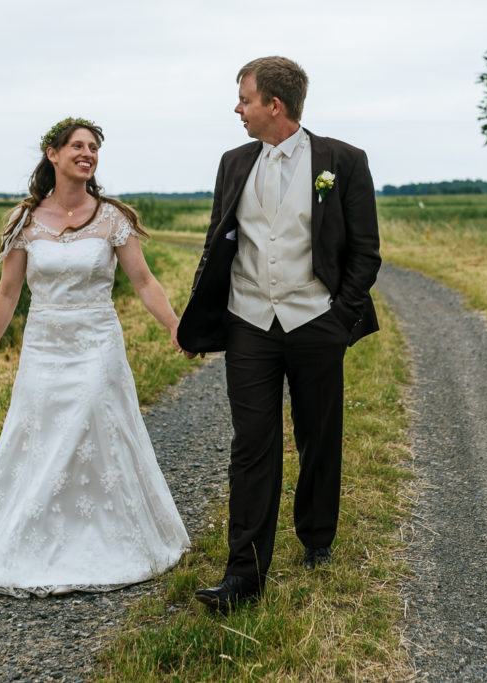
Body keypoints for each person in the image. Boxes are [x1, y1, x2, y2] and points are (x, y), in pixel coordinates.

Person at [177, 57, 381, 610]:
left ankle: (317, 539)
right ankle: (244, 573)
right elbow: (217, 241)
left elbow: (365, 253)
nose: (236, 109)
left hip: (316, 321)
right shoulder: (233, 162)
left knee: (318, 436)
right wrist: (199, 318)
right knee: (251, 446)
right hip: (249, 324)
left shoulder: (344, 161)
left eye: (244, 99)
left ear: (275, 105)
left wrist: (339, 321)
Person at [0, 117, 190, 598]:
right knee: (42, 438)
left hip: (97, 343)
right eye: (78, 146)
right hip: (45, 344)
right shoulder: (26, 221)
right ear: (52, 153)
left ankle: (104, 536)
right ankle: (37, 538)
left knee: (88, 428)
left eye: (94, 148)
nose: (87, 154)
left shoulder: (112, 218)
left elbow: (143, 281)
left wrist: (173, 325)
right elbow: (7, 292)